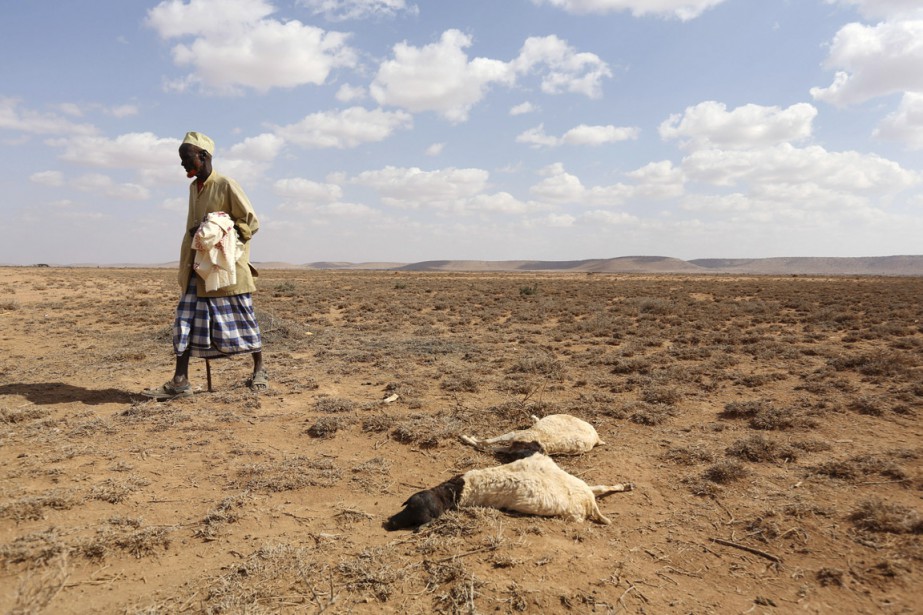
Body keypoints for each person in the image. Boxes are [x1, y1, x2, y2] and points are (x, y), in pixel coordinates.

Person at [143, 131, 267, 400]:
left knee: (243, 317)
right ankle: (180, 381)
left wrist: (221, 230)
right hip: (195, 266)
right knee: (184, 321)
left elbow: (251, 222)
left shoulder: (225, 184)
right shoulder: (193, 188)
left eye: (186, 159)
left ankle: (259, 370)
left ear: (204, 156)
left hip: (225, 268)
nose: (183, 165)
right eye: (181, 160)